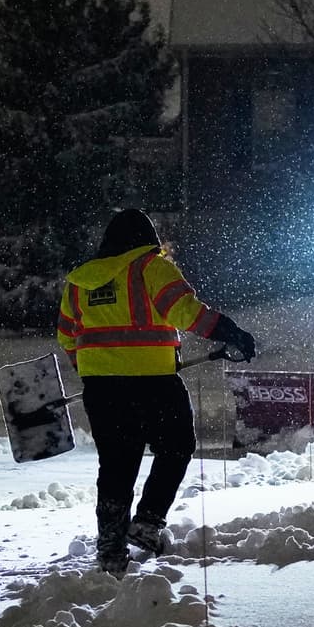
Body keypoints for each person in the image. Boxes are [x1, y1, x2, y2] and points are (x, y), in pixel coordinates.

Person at [56, 209, 256, 575]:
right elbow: (187, 312)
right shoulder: (151, 267)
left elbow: (68, 336)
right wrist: (231, 332)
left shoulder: (79, 282)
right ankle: (148, 521)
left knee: (116, 464)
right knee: (176, 447)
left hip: (101, 390)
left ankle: (111, 547)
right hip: (154, 384)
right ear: (145, 239)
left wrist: (97, 367)